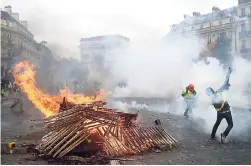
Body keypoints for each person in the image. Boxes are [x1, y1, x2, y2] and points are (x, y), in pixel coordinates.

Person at [206, 67, 233, 143]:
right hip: (227, 111)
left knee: (217, 124)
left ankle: (212, 135)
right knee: (230, 124)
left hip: (220, 113)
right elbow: (226, 81)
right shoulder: (219, 91)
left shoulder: (212, 99)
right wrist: (228, 72)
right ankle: (224, 134)